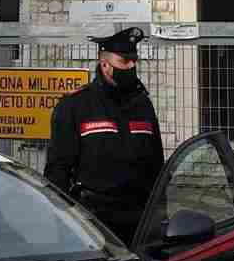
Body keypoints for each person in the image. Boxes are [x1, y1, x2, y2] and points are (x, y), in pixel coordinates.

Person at [44, 27, 164, 246]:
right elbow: (58, 170)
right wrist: (67, 223)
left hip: (139, 223)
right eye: (125, 61)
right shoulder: (75, 105)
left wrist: (158, 214)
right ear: (105, 65)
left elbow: (156, 163)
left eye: (134, 61)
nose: (132, 66)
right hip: (93, 223)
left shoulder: (142, 103)